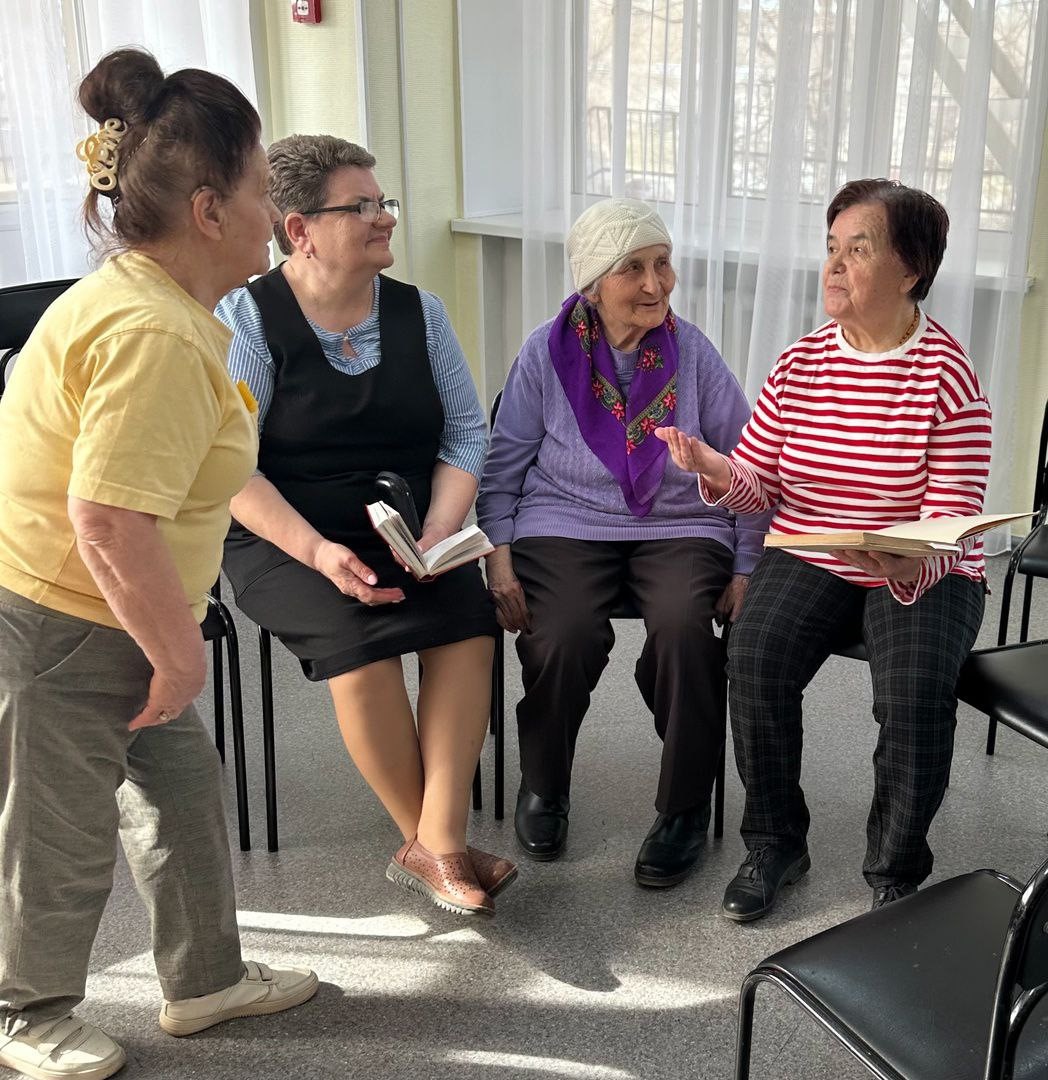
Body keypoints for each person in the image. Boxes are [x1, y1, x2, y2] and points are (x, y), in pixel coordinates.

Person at [0, 49, 318, 1080]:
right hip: (66, 619)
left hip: (120, 611)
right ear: (208, 209)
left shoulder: (160, 305)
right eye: (264, 191)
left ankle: (204, 979)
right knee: (54, 830)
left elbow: (187, 479)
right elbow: (106, 520)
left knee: (178, 795)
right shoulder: (155, 334)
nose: (277, 214)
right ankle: (24, 1017)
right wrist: (178, 653)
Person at [657, 178, 991, 920]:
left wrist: (915, 558)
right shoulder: (800, 363)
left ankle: (895, 873)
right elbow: (761, 484)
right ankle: (775, 842)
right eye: (831, 248)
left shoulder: (948, 375)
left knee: (913, 693)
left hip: (924, 568)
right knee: (754, 657)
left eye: (858, 251)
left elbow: (955, 513)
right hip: (815, 548)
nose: (834, 267)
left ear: (910, 271)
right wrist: (717, 470)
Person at [215, 135, 509, 919]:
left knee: (466, 622)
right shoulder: (247, 319)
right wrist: (318, 552)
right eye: (363, 206)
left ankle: (433, 844)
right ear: (300, 229)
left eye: (384, 202)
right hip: (286, 535)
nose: (385, 218)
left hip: (408, 526)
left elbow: (465, 433)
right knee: (361, 642)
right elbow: (232, 468)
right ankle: (441, 847)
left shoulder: (422, 312)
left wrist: (441, 529)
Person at [477, 198, 768, 888]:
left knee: (683, 633)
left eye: (662, 264)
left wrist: (747, 563)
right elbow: (503, 466)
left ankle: (684, 808)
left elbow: (752, 460)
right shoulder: (544, 353)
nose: (655, 284)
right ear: (592, 284)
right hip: (565, 519)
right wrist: (499, 560)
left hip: (680, 523)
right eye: (632, 268)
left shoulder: (692, 352)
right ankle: (544, 784)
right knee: (563, 632)